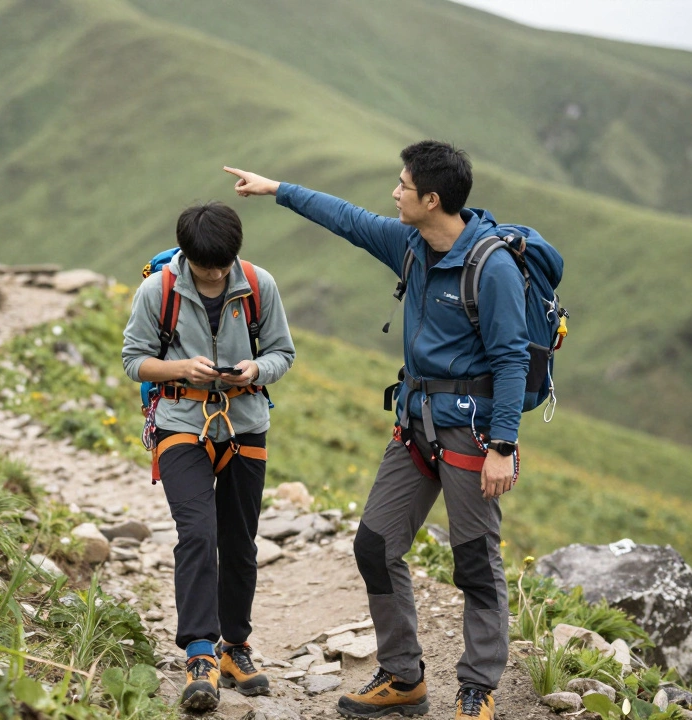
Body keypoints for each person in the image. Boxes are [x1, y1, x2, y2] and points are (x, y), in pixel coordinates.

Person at [225, 141, 527, 720]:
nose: (394, 192)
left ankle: (478, 689)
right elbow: (347, 218)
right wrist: (276, 189)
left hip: (471, 434)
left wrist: (504, 447)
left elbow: (512, 360)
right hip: (415, 424)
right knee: (375, 546)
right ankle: (404, 676)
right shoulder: (411, 245)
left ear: (431, 198)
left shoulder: (492, 270)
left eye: (403, 184)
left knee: (474, 562)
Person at [122, 201, 296, 712]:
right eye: (206, 267)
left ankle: (235, 648)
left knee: (240, 540)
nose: (217, 274)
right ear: (187, 256)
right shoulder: (158, 290)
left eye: (225, 265)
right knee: (197, 532)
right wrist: (180, 369)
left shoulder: (260, 286)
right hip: (180, 422)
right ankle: (200, 651)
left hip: (245, 423)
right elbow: (134, 361)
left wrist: (255, 371)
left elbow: (283, 353)